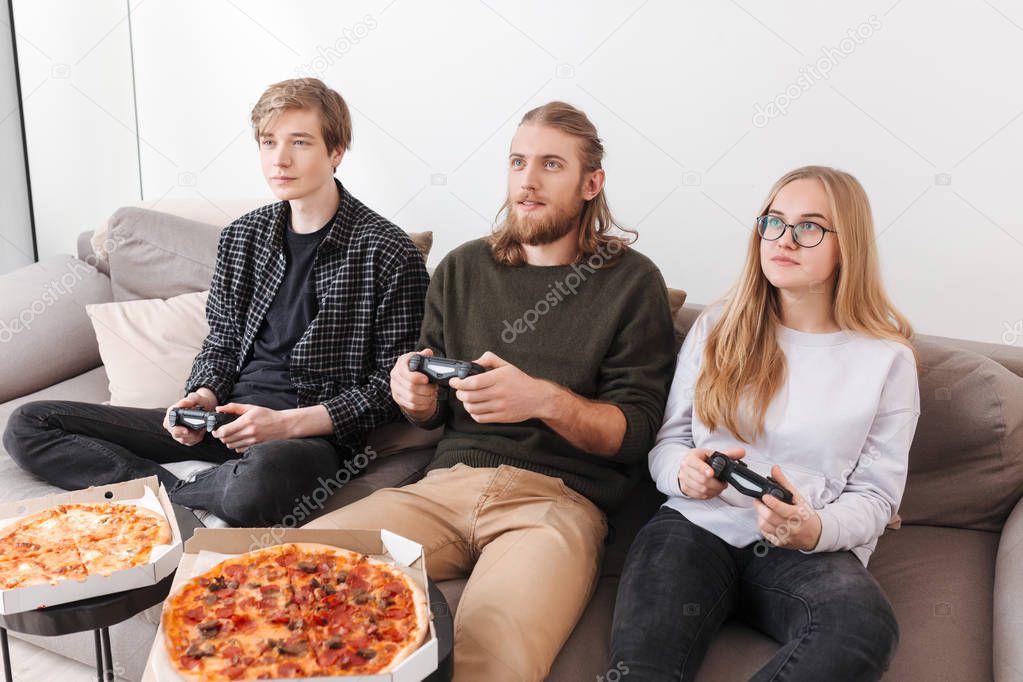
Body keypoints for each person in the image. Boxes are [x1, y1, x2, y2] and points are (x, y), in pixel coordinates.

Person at [304, 101, 676, 681]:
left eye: (551, 165)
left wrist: (542, 400)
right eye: (517, 162)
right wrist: (416, 396)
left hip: (556, 505)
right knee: (285, 568)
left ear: (591, 183)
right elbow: (431, 404)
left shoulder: (633, 283)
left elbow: (634, 434)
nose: (527, 181)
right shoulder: (461, 268)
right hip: (442, 488)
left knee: (488, 658)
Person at [3, 78, 429, 527]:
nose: (279, 159)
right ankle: (177, 493)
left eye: (299, 142)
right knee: (29, 424)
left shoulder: (388, 251)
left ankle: (155, 495)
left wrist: (284, 424)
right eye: (269, 142)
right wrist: (202, 397)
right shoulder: (242, 237)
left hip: (305, 438)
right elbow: (223, 342)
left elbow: (389, 390)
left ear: (336, 151)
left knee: (257, 485)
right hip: (223, 421)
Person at [609, 166, 920, 681]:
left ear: (850, 245)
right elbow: (670, 444)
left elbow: (876, 496)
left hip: (805, 545)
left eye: (809, 227)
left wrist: (813, 528)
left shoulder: (888, 360)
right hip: (696, 526)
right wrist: (685, 474)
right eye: (773, 222)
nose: (784, 239)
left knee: (863, 628)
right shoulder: (717, 327)